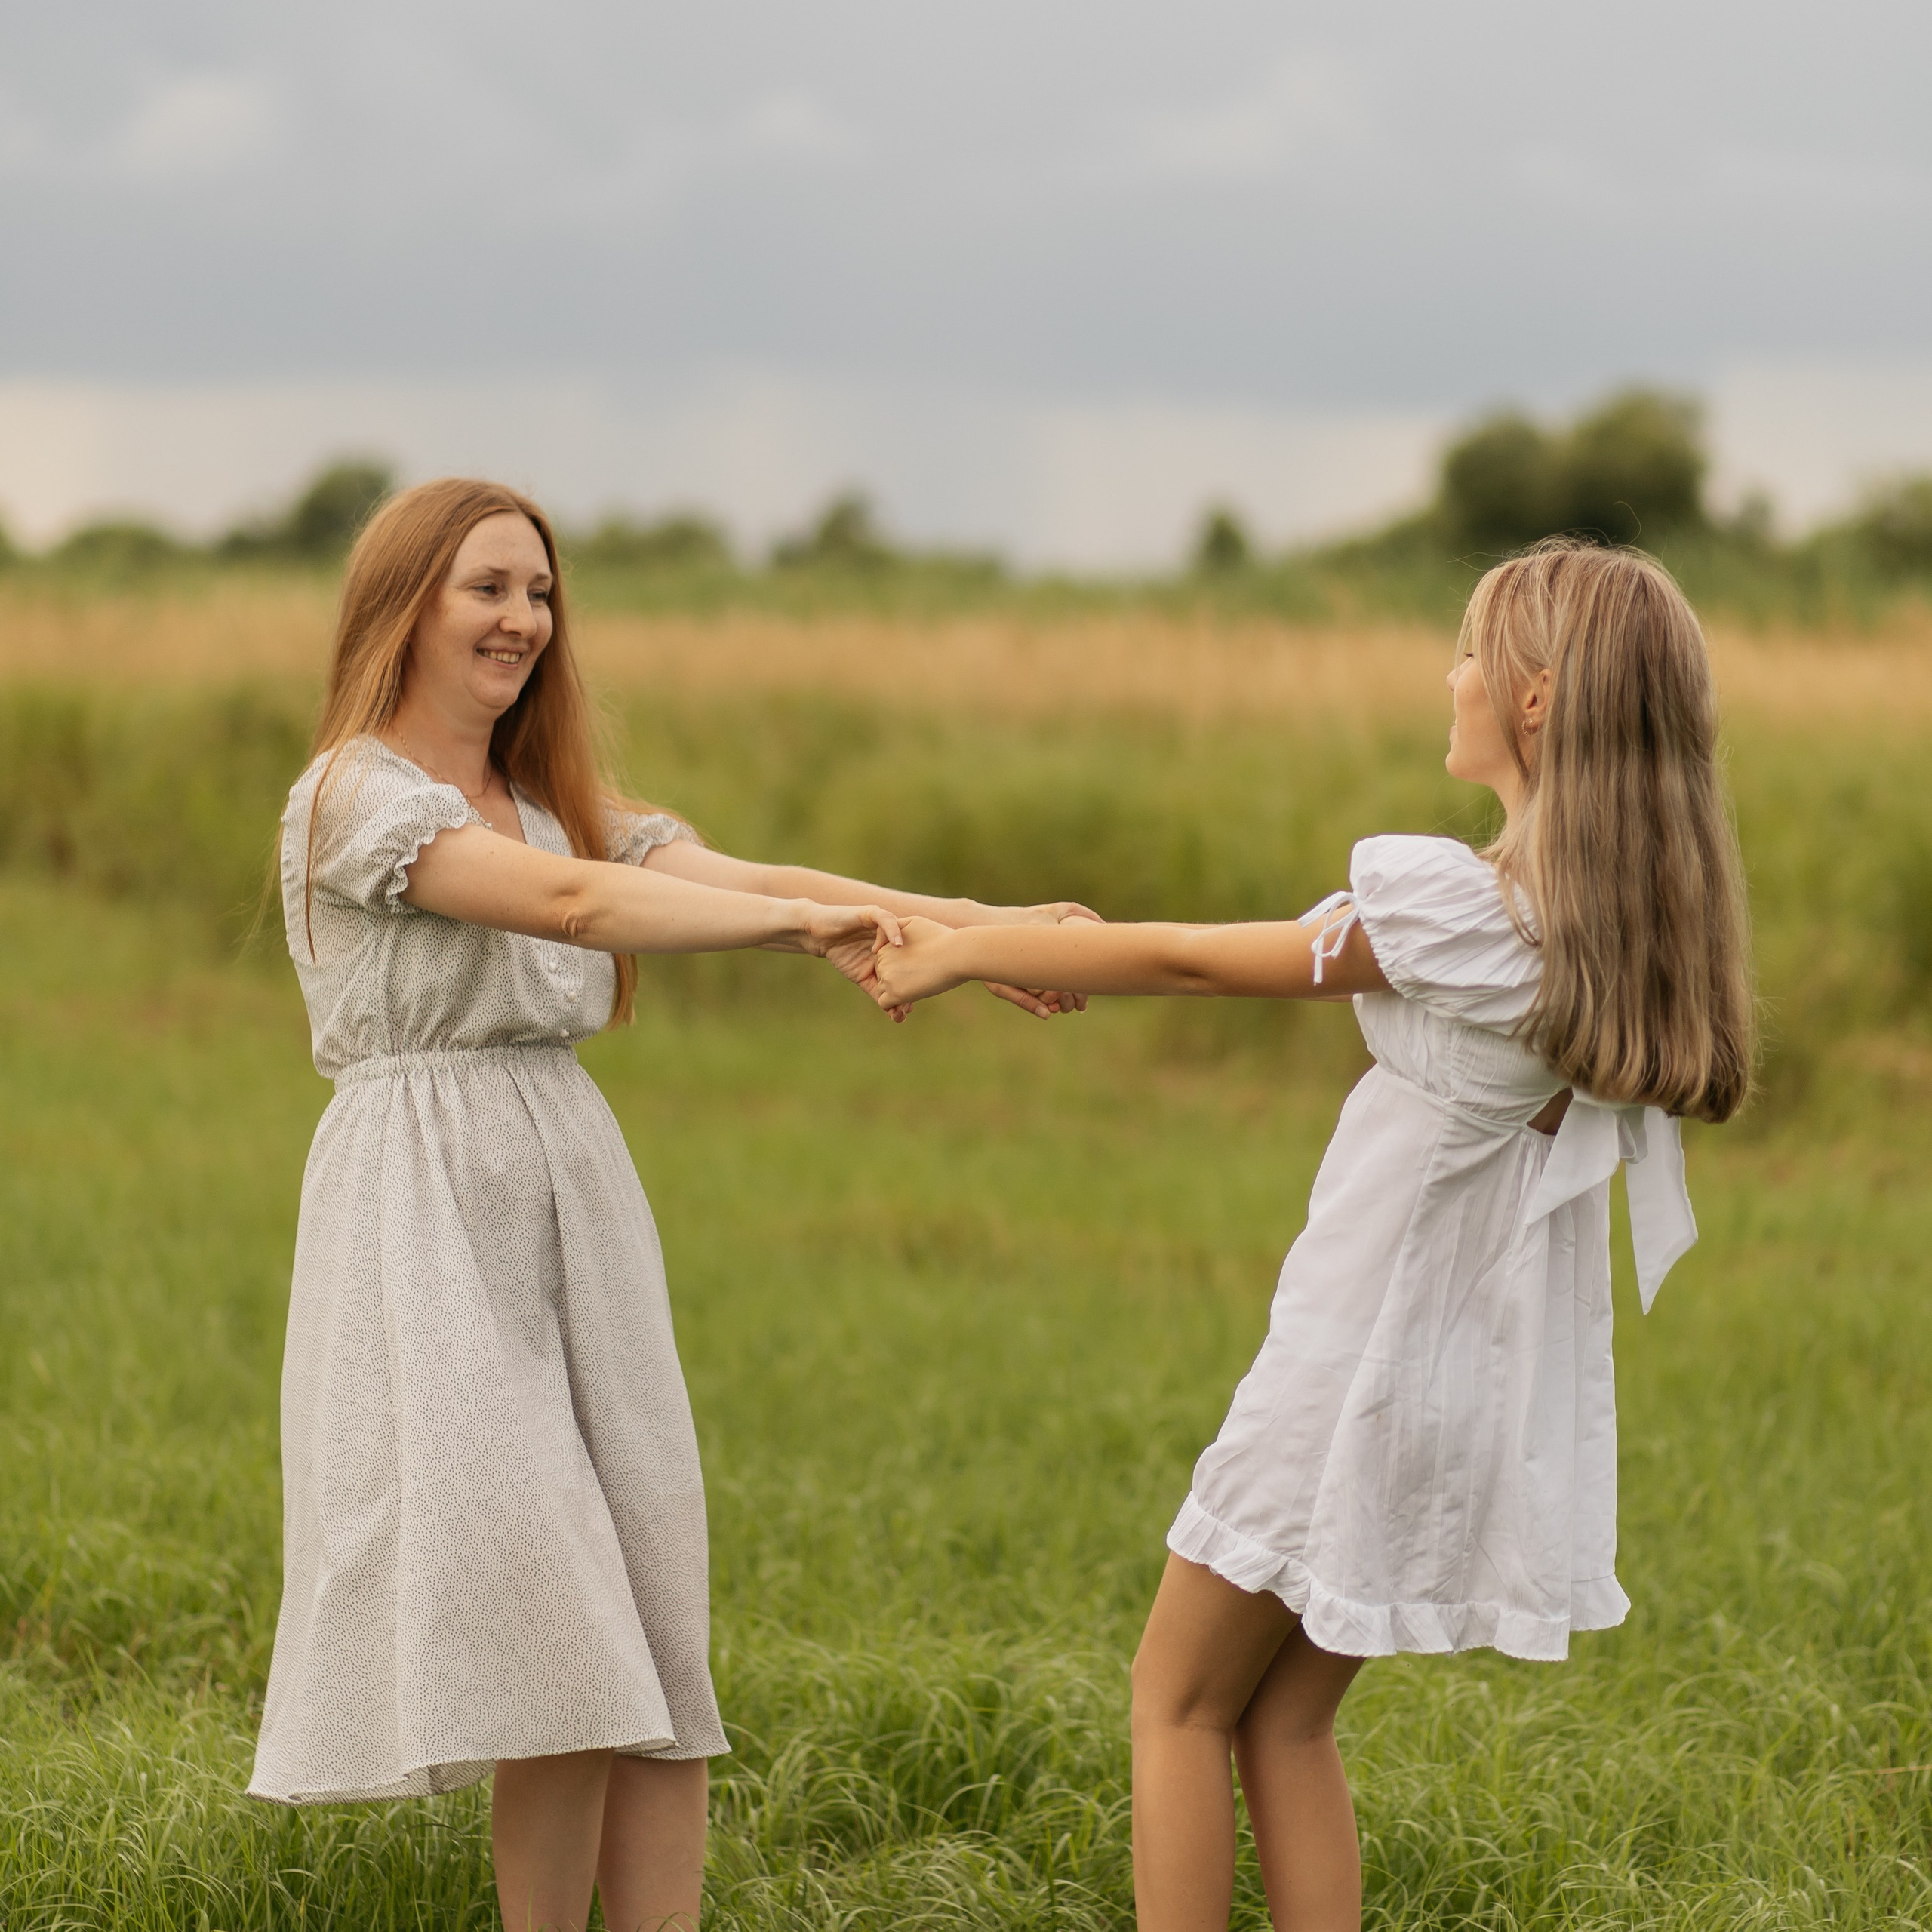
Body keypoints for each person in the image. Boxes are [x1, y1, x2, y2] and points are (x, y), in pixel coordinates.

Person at [871, 539, 1755, 1932]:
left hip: (1350, 1375)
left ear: (1535, 701)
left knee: (1170, 1707)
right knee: (1281, 1727)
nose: (1450, 674)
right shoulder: (1577, 927)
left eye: (1471, 651)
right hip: (1444, 1378)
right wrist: (979, 922)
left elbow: (1188, 961)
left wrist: (972, 953)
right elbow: (1192, 934)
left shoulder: (1462, 912)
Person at [247, 476, 1091, 1932]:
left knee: (644, 1613)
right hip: (427, 1209)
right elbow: (579, 911)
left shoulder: (556, 804)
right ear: (403, 607)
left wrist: (968, 925)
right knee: (556, 1633)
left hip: (571, 1185)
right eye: (486, 589)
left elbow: (734, 872)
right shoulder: (353, 799)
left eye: (539, 591)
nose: (523, 619)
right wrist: (800, 928)